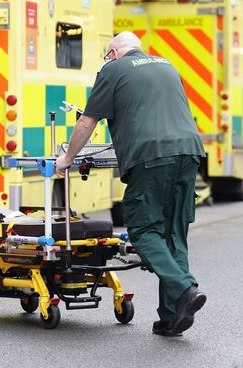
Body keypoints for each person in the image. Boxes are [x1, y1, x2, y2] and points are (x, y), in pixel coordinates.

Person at [55, 31, 206, 337]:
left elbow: (87, 121)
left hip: (150, 156)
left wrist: (67, 158)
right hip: (189, 152)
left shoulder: (113, 69)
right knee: (173, 233)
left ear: (113, 52)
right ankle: (171, 316)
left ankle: (184, 288)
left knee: (142, 229)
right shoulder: (166, 65)